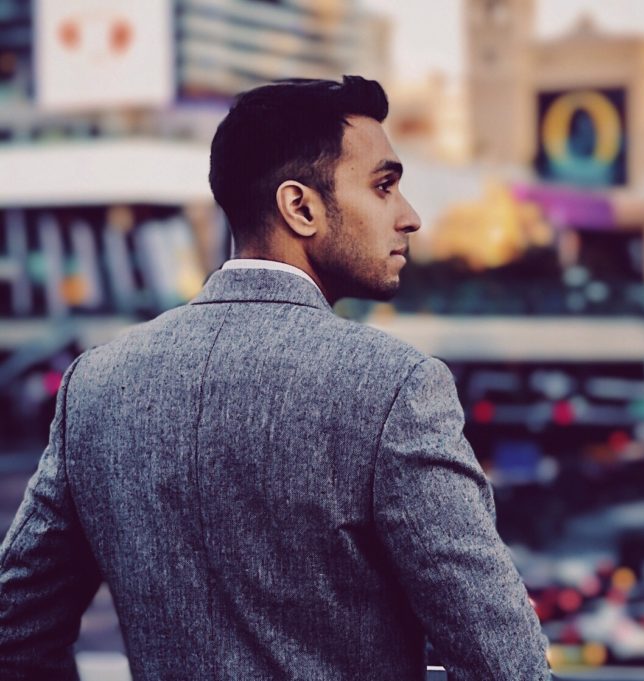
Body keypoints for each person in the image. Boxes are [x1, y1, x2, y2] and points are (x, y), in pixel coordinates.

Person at [0, 76, 551, 680]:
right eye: (384, 186)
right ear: (300, 208)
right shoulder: (395, 388)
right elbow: (506, 663)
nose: (410, 217)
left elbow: (16, 631)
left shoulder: (96, 386)